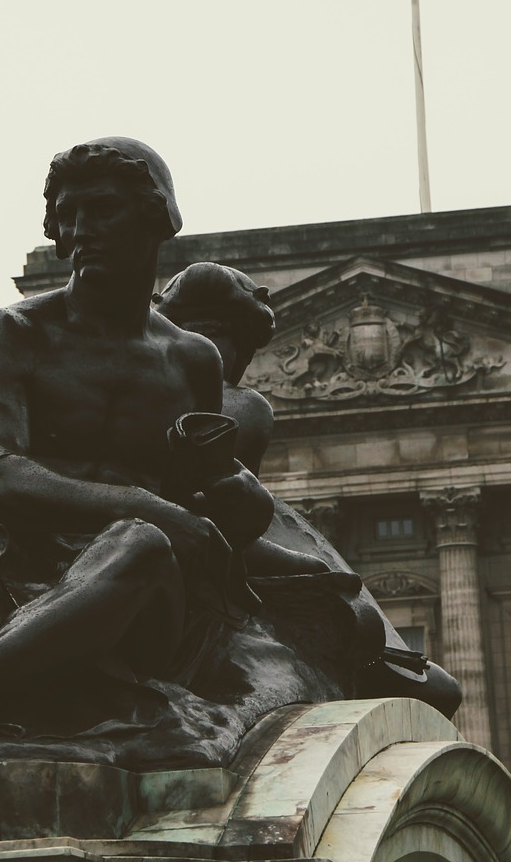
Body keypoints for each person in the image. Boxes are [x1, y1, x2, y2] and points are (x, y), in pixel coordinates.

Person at [0, 138, 274, 759]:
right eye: (69, 215)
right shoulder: (2, 333)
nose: (80, 229)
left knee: (141, 542)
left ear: (158, 218)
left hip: (125, 594)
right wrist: (153, 503)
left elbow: (210, 499)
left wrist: (227, 493)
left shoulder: (191, 360)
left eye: (102, 210)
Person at [154, 261, 462, 716]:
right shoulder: (242, 406)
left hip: (165, 550)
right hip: (204, 559)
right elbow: (233, 532)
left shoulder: (130, 392)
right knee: (419, 673)